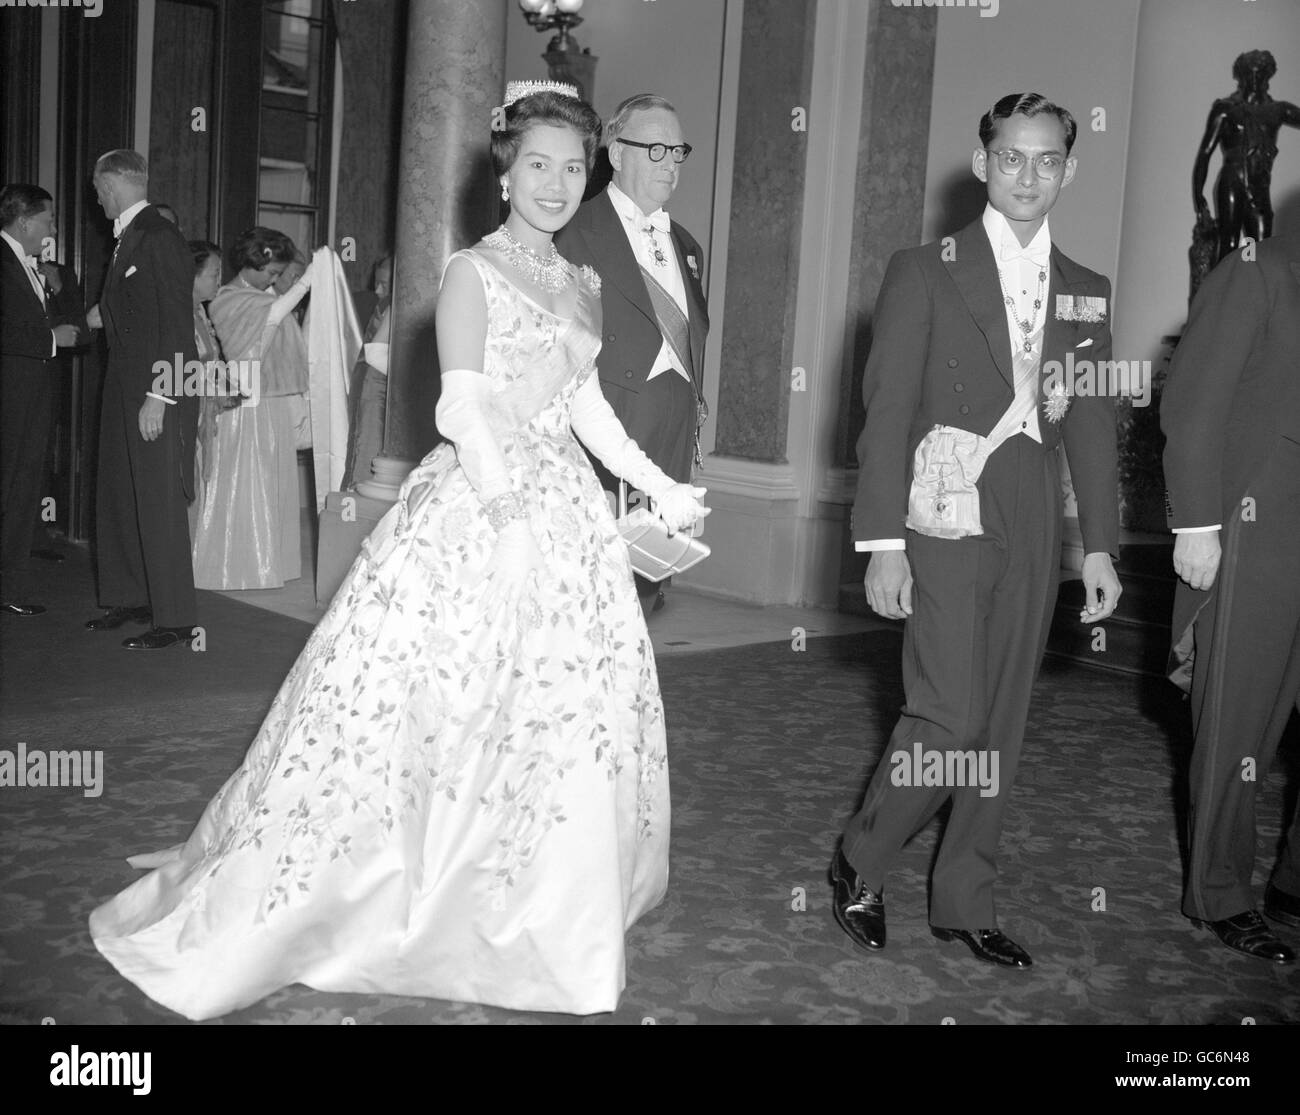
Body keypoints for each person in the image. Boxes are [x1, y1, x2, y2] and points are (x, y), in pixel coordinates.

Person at [88, 81, 708, 1020]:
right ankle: (392, 891)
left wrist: (658, 485)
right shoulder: (472, 271)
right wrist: (504, 513)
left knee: (561, 705)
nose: (554, 182)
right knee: (431, 706)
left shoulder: (576, 281)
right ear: (504, 172)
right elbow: (462, 406)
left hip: (564, 507)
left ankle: (539, 899)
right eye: (536, 164)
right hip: (481, 504)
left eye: (572, 167)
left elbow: (586, 408)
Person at [830, 93, 1121, 968]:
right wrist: (880, 542)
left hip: (1032, 504)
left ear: (1069, 169)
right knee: (949, 712)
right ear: (982, 161)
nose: (1028, 175)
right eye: (1011, 157)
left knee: (1000, 716)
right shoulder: (924, 267)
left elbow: (1094, 422)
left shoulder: (1086, 289)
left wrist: (1100, 543)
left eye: (1046, 161)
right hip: (945, 505)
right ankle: (863, 856)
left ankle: (966, 896)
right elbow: (884, 414)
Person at [1161, 232, 1300, 965]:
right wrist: (1197, 523)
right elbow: (1193, 400)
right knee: (1237, 725)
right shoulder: (1260, 271)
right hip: (1260, 527)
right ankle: (1221, 892)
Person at [554, 93, 709, 614]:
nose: (671, 165)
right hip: (604, 431)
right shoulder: (571, 231)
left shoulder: (686, 244)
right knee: (587, 584)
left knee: (645, 583)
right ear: (616, 154)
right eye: (656, 149)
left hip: (670, 428)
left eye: (678, 151)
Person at [84, 152, 200, 649]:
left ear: (115, 184)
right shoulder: (129, 236)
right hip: (123, 383)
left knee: (156, 501)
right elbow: (125, 310)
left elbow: (176, 324)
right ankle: (133, 597)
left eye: (98, 188)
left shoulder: (158, 236)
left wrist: (160, 394)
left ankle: (174, 619)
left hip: (157, 387)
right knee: (120, 492)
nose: (95, 198)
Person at [191, 228, 311, 590]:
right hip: (243, 408)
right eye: (272, 272)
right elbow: (271, 317)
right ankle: (236, 564)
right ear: (251, 264)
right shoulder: (229, 298)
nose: (275, 280)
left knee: (272, 480)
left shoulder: (260, 297)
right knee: (245, 482)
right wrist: (305, 284)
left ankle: (270, 560)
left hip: (267, 403)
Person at [1, 184, 82, 615]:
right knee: (11, 489)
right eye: (48, 220)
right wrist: (49, 339)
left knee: (21, 491)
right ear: (24, 220)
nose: (51, 228)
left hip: (31, 395)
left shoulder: (28, 264)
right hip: (12, 397)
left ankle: (11, 585)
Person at [186, 240, 240, 494]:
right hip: (187, 409)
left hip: (203, 405)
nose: (219, 280)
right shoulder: (179, 312)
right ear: (191, 275)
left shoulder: (199, 310)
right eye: (214, 274)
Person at [341, 253, 392, 490]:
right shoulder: (394, 302)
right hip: (378, 384)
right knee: (368, 450)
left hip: (369, 379)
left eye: (384, 284)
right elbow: (375, 354)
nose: (378, 291)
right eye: (376, 283)